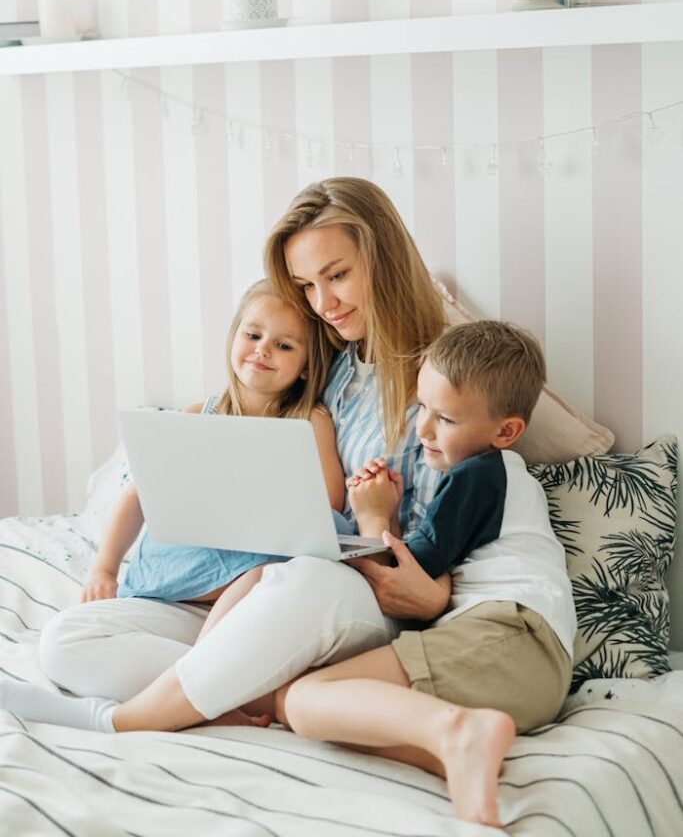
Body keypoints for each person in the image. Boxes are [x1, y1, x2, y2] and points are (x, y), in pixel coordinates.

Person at [2, 178, 449, 732]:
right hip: (238, 610)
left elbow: (435, 528)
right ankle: (265, 693)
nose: (323, 304)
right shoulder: (337, 358)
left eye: (336, 276)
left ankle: (122, 721)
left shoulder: (442, 376)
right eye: (309, 285)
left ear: (383, 260)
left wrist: (402, 553)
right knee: (65, 640)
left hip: (336, 590)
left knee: (301, 577)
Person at [0, 278, 345, 728]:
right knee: (62, 641)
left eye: (283, 346)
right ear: (234, 337)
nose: (262, 350)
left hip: (246, 606)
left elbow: (330, 504)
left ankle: (207, 694)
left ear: (304, 366)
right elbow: (135, 499)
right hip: (173, 604)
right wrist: (104, 569)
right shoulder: (195, 419)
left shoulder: (308, 421)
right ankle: (233, 692)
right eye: (253, 335)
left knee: (255, 600)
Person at [275, 320, 577, 828]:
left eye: (446, 419)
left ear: (505, 432)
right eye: (422, 409)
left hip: (512, 638)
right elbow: (419, 575)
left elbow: (404, 572)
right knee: (328, 713)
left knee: (302, 699)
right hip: (519, 665)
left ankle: (459, 736)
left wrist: (373, 515)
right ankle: (460, 754)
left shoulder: (483, 473)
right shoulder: (489, 479)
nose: (422, 431)